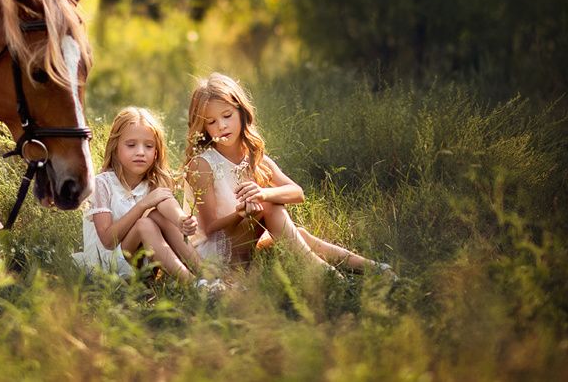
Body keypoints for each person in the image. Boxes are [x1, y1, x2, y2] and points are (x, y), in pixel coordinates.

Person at [185, 73, 393, 276]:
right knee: (269, 207)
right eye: (211, 122)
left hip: (245, 242)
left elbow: (297, 192)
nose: (221, 125)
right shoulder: (202, 164)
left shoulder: (254, 158)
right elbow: (210, 228)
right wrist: (241, 213)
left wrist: (263, 194)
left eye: (227, 116)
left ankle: (374, 268)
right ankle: (325, 274)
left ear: (241, 112)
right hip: (214, 254)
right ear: (203, 128)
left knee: (297, 232)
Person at [73, 107, 202, 280]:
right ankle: (192, 284)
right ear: (115, 148)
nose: (140, 152)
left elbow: (168, 203)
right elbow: (108, 241)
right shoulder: (102, 184)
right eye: (131, 145)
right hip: (106, 265)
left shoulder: (153, 183)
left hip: (139, 263)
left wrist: (181, 220)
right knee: (144, 224)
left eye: (148, 146)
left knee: (158, 215)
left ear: (156, 152)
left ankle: (208, 275)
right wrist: (143, 205)